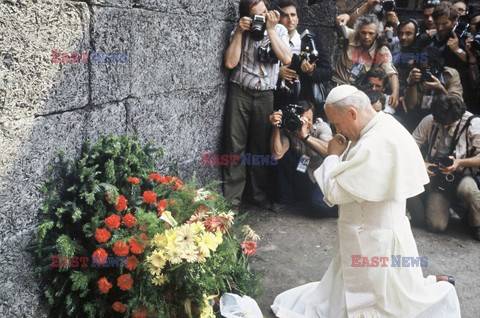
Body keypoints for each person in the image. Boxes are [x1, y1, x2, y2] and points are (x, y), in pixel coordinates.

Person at [271, 85, 460, 317]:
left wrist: (332, 155)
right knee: (391, 291)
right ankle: (432, 284)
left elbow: (333, 192)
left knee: (380, 302)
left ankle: (438, 291)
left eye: (337, 124)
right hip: (378, 232)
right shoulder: (384, 125)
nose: (338, 130)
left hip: (371, 237)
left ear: (352, 113)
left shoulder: (374, 143)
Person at [223, 0, 292, 209]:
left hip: (265, 95)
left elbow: (287, 57)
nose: (261, 17)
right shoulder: (241, 28)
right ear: (247, 16)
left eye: (264, 11)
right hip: (240, 92)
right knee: (235, 146)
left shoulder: (279, 29)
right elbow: (229, 63)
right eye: (256, 15)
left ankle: (258, 196)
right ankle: (233, 199)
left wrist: (270, 29)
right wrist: (238, 32)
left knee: (260, 146)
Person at [408, 95, 480, 241]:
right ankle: (435, 204)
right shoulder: (430, 120)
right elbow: (409, 146)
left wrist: (459, 163)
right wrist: (421, 165)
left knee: (468, 190)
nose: (444, 127)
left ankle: (476, 224)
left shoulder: (474, 124)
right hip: (438, 178)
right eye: (441, 123)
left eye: (449, 124)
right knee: (436, 225)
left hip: (463, 174)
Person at [268, 100, 336, 216]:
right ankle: (286, 199)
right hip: (304, 167)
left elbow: (330, 151)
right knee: (285, 158)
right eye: (302, 119)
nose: (306, 123)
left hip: (322, 173)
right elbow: (277, 154)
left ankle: (341, 208)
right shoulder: (291, 129)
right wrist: (276, 128)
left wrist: (305, 136)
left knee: (318, 204)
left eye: (309, 119)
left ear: (314, 118)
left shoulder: (321, 127)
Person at [274, 0, 332, 117]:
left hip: (305, 99)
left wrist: (311, 72)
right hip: (277, 99)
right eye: (285, 15)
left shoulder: (310, 41)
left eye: (293, 15)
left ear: (298, 18)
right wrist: (276, 72)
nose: (290, 19)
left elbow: (328, 72)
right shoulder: (272, 40)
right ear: (278, 18)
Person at [333, 14, 400, 109]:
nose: (366, 36)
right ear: (358, 32)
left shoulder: (381, 50)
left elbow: (391, 73)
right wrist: (347, 16)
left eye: (371, 33)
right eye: (363, 32)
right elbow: (339, 22)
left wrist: (395, 92)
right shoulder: (351, 36)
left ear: (377, 34)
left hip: (357, 94)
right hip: (337, 86)